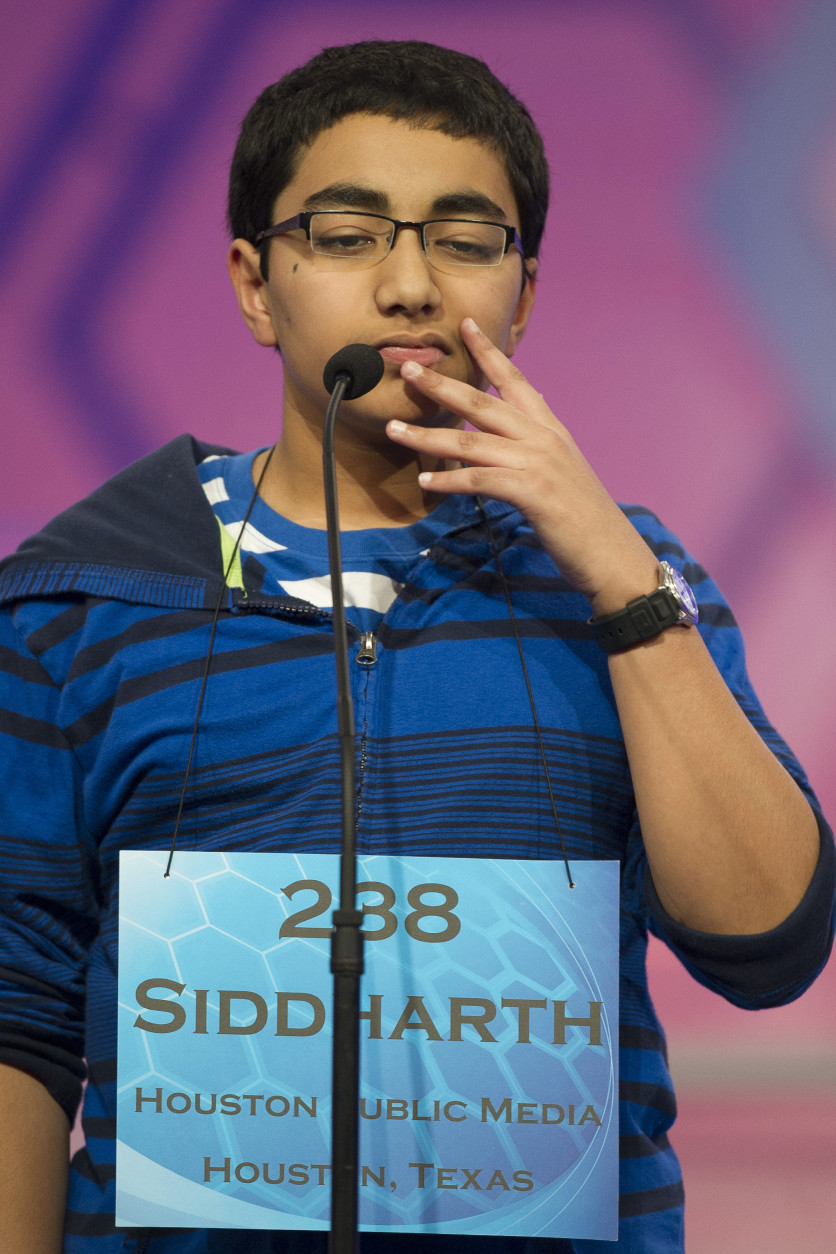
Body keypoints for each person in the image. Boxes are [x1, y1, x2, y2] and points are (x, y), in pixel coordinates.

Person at [0, 38, 832, 1254]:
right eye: (345, 237)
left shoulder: (632, 586)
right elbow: (16, 1014)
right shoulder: (77, 605)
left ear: (522, 293)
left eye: (462, 239)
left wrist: (618, 578)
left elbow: (765, 946)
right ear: (253, 284)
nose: (408, 287)